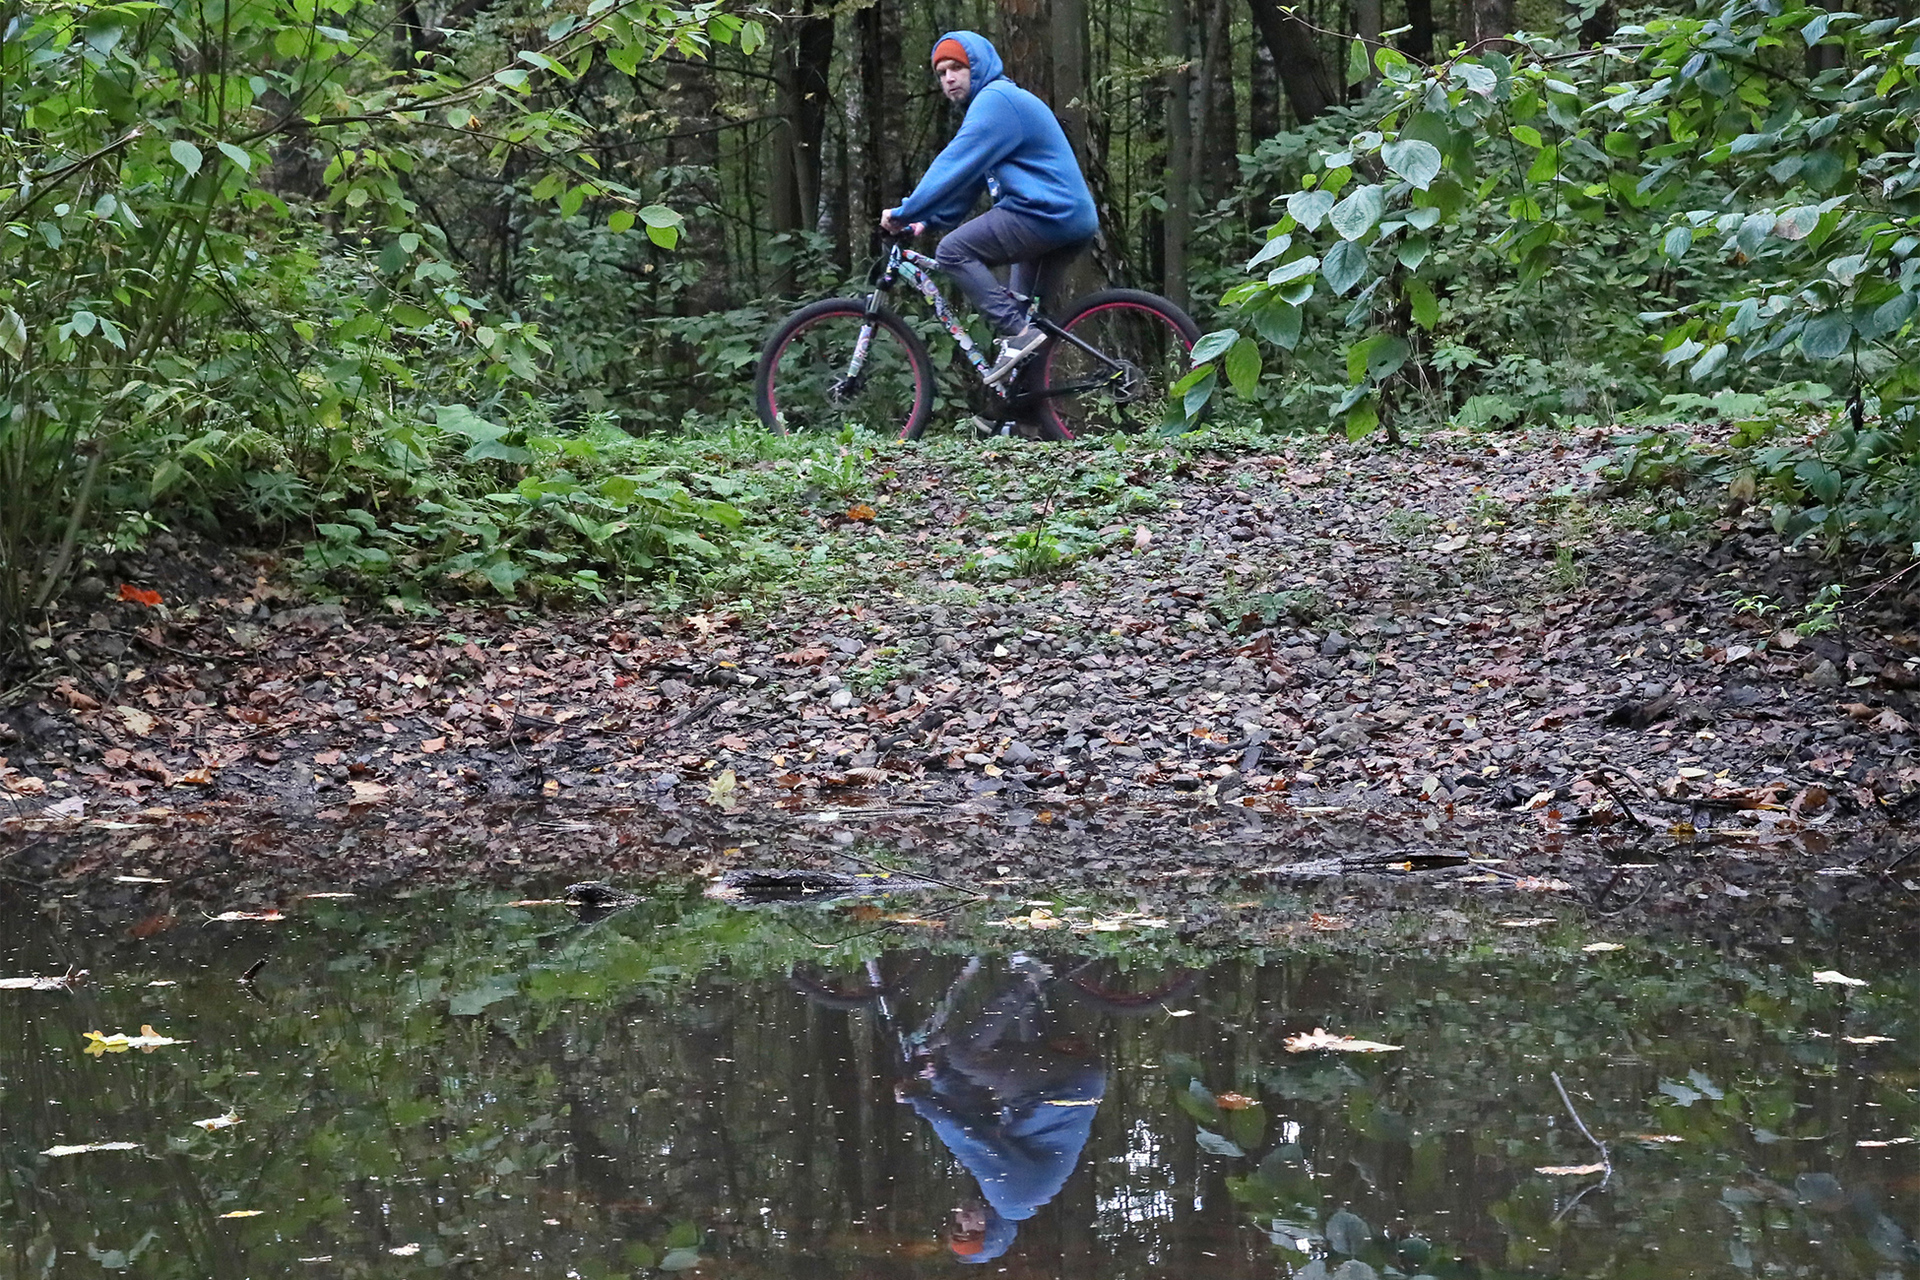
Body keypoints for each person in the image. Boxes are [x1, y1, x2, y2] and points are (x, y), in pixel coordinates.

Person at [880, 31, 1098, 388]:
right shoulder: (998, 106)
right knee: (1029, 318)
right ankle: (1019, 415)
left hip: (1042, 214)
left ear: (977, 67)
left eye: (957, 68)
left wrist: (904, 212)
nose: (948, 78)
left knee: (952, 251)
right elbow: (969, 184)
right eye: (941, 73)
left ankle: (1017, 332)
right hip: (1068, 220)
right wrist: (923, 222)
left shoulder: (995, 100)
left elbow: (953, 166)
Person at [894, 955, 1106, 1265]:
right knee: (964, 1054)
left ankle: (1043, 953)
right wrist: (919, 1100)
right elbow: (967, 1138)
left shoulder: (1010, 1196)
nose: (962, 1219)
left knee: (1031, 1005)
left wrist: (938, 1078)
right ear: (992, 1228)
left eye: (957, 1227)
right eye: (972, 1230)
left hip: (1067, 1086)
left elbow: (978, 1117)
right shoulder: (1011, 1196)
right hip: (1060, 1087)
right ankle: (1027, 975)